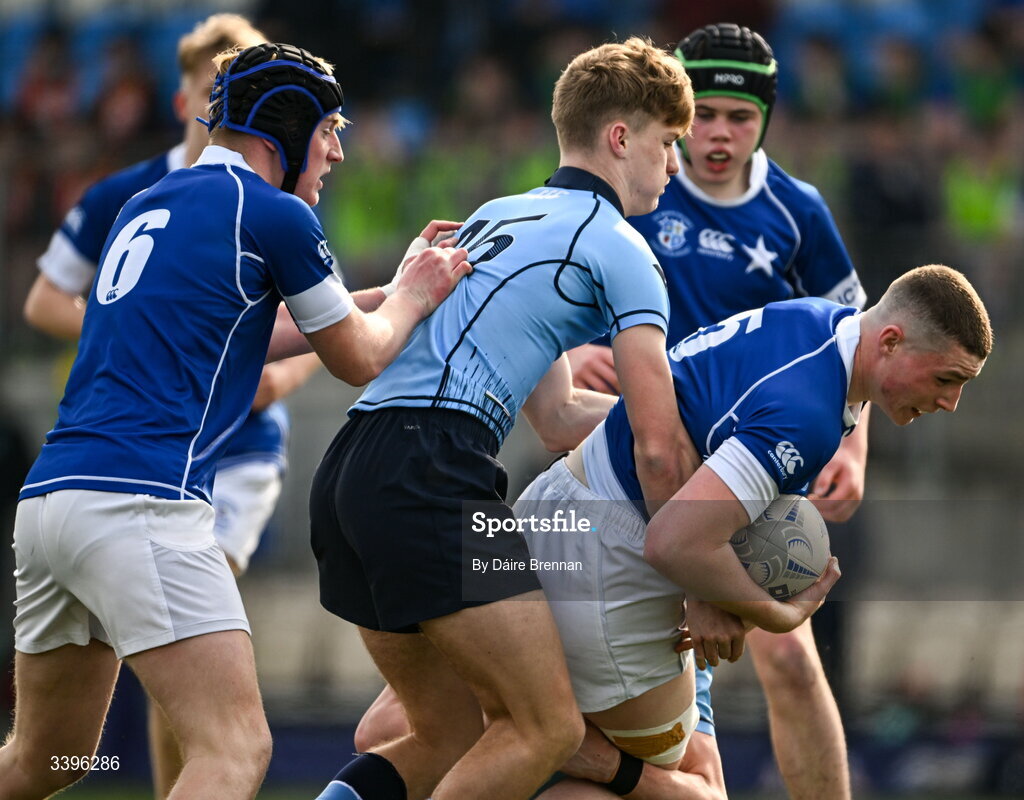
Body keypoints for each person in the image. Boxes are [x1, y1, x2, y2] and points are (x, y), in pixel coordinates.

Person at [3, 41, 470, 800]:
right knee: (234, 748)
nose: (338, 151)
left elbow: (244, 328)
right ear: (282, 129)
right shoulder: (274, 212)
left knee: (44, 760)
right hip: (141, 503)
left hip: (51, 502)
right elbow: (357, 360)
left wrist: (391, 290)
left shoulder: (149, 202)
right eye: (329, 129)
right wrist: (416, 298)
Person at [309, 36, 698, 800]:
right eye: (668, 142)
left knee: (450, 733)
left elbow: (557, 418)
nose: (675, 165)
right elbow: (654, 449)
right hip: (432, 473)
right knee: (544, 727)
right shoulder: (619, 246)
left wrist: (692, 439)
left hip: (354, 469)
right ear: (621, 139)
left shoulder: (501, 215)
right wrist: (700, 572)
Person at [518, 264, 990, 797]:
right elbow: (674, 542)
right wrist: (774, 613)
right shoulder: (806, 413)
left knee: (691, 770)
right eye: (946, 379)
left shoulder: (818, 321)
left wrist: (707, 584)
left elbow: (692, 456)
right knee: (679, 782)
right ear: (890, 341)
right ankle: (554, 742)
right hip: (607, 558)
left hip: (557, 503)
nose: (950, 403)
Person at [565, 23, 869, 799]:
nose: (720, 134)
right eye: (705, 115)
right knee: (577, 639)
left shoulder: (798, 212)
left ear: (767, 118)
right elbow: (543, 315)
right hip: (624, 455)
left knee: (790, 658)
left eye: (742, 117)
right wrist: (569, 357)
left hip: (739, 471)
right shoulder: (628, 189)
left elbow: (870, 341)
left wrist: (852, 451)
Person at [20, 15, 321, 797]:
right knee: (226, 734)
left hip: (132, 475)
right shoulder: (150, 193)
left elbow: (295, 342)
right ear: (192, 95)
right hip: (148, 482)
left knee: (51, 758)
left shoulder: (231, 205)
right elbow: (45, 299)